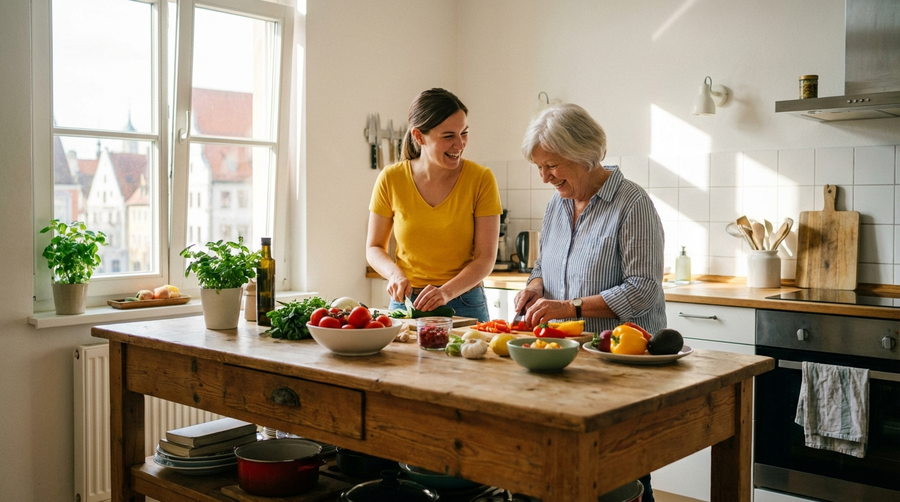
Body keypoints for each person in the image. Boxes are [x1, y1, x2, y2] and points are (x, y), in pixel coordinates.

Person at [512, 103, 666, 502]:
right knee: (573, 469)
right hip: (567, 359)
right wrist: (534, 286)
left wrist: (571, 307)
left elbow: (643, 288)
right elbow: (543, 264)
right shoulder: (557, 205)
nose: (545, 177)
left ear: (583, 154)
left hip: (621, 364)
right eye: (539, 167)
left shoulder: (632, 204)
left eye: (552, 166)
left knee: (625, 471)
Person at [366, 88, 502, 321]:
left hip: (464, 301)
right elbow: (374, 247)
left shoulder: (481, 179)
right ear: (419, 137)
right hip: (406, 301)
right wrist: (394, 275)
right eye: (448, 136)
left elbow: (485, 258)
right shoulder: (391, 179)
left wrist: (445, 292)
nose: (459, 144)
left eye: (464, 133)